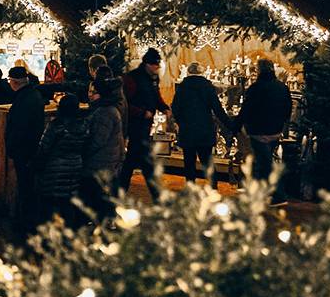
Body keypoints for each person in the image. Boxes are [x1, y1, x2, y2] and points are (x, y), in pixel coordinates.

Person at [237, 58, 292, 204]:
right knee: (263, 161)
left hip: (258, 131)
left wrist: (236, 125)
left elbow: (246, 110)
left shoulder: (255, 89)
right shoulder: (282, 87)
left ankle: (279, 194)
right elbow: (288, 108)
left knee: (265, 163)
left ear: (259, 70)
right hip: (275, 130)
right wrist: (282, 124)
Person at [117, 48, 168, 202]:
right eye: (155, 65)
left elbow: (155, 96)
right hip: (136, 124)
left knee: (132, 161)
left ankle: (119, 193)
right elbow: (126, 102)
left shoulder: (152, 78)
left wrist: (164, 107)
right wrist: (142, 112)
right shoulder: (133, 79)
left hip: (145, 124)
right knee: (144, 161)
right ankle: (157, 196)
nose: (157, 68)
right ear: (147, 64)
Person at [171, 62, 232, 188]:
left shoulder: (182, 87)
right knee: (207, 160)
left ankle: (190, 187)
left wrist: (180, 122)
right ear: (201, 72)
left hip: (187, 129)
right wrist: (230, 124)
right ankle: (213, 186)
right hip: (205, 128)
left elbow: (175, 108)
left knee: (189, 162)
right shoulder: (207, 87)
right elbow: (217, 109)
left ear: (188, 72)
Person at [32, 94, 87, 226]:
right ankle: (69, 233)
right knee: (67, 202)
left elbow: (44, 147)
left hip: (55, 168)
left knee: (48, 204)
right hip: (75, 166)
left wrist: (36, 164)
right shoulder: (83, 125)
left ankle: (47, 236)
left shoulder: (56, 126)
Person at [4, 66, 46, 230]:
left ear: (14, 82)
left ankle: (26, 220)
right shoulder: (33, 95)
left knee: (25, 185)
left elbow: (19, 128)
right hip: (30, 147)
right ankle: (27, 218)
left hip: (24, 149)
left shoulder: (23, 99)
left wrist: (12, 147)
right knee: (27, 184)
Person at [83, 74, 126, 219]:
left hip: (102, 160)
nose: (89, 95)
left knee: (99, 194)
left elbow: (98, 139)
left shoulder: (104, 112)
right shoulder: (106, 109)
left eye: (93, 92)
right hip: (108, 158)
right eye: (89, 91)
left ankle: (103, 222)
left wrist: (85, 151)